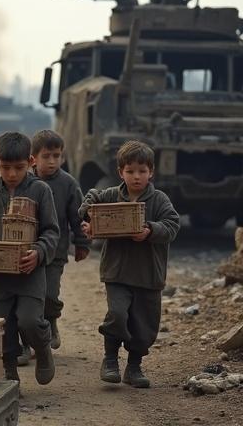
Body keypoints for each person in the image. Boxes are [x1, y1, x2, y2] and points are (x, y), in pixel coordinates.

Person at [0, 131, 60, 385]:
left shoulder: (41, 190)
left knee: (30, 321)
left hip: (30, 273)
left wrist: (38, 253)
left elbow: (51, 231)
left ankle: (43, 348)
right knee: (2, 326)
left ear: (30, 161)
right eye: (6, 167)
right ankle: (10, 371)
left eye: (19, 167)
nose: (12, 174)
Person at [79, 140, 180, 388]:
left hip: (148, 275)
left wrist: (150, 230)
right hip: (117, 271)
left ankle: (134, 367)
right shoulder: (112, 195)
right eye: (131, 171)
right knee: (117, 314)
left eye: (142, 171)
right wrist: (89, 218)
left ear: (151, 172)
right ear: (120, 172)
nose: (137, 177)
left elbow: (173, 225)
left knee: (145, 324)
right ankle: (110, 359)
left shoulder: (159, 200)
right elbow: (88, 202)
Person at [18, 130, 91, 365]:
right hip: (26, 253)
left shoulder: (68, 184)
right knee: (28, 299)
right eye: (46, 156)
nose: (52, 161)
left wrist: (81, 243)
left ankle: (52, 322)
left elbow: (78, 216)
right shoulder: (24, 182)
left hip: (55, 252)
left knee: (49, 294)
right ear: (33, 158)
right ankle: (25, 343)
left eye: (57, 156)